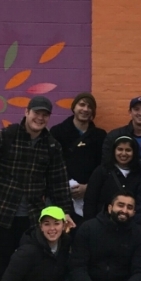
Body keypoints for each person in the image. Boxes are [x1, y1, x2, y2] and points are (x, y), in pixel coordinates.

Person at [0, 95, 75, 281]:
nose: (40, 118)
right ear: (26, 112)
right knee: (3, 266)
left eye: (45, 115)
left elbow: (58, 182)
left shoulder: (52, 145)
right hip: (2, 215)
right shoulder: (3, 137)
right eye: (36, 113)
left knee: (31, 265)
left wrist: (66, 212)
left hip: (33, 218)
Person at [49, 92, 106, 225]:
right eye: (82, 105)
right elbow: (51, 165)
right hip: (61, 197)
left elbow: (103, 167)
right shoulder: (57, 132)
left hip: (90, 199)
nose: (85, 109)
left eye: (89, 107)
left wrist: (88, 187)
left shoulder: (100, 136)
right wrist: (66, 187)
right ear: (74, 107)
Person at [81, 136, 141, 221]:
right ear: (114, 151)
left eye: (128, 150)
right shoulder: (102, 171)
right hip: (103, 223)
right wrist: (90, 224)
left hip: (131, 225)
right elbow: (90, 201)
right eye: (120, 149)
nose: (123, 153)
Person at [102, 96, 141, 167]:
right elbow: (107, 162)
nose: (140, 113)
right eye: (136, 109)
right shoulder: (114, 136)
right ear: (130, 112)